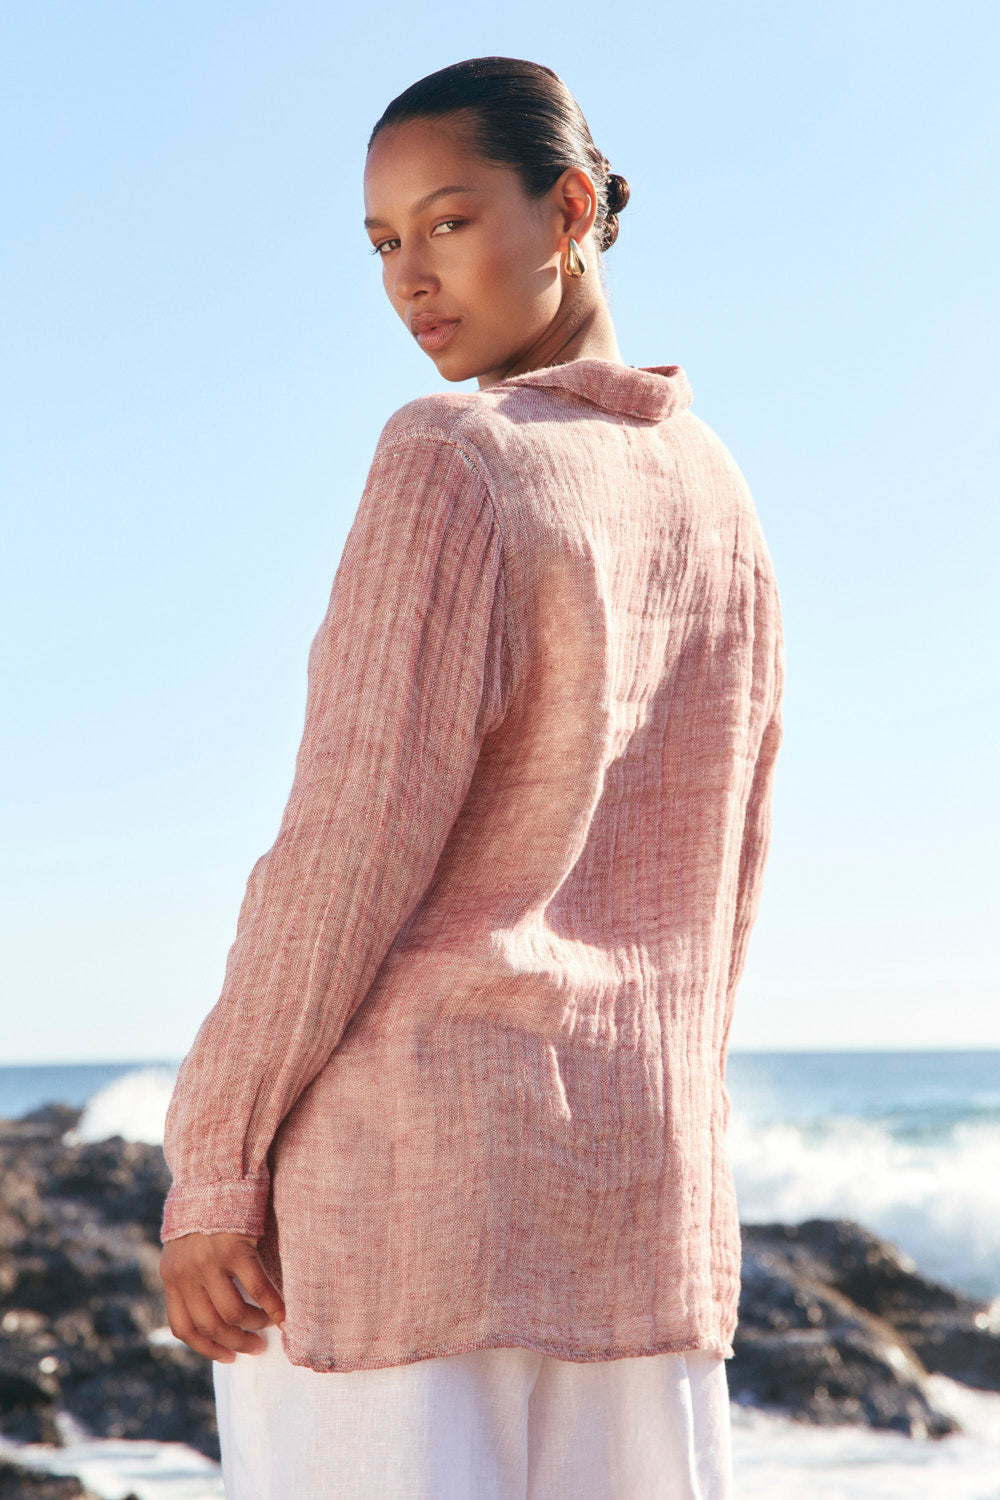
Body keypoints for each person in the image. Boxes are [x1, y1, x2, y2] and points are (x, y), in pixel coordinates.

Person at [158, 55, 784, 1500]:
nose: (408, 279)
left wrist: (215, 1163)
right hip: (643, 1205)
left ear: (569, 206)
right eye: (383, 243)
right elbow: (729, 883)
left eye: (445, 223)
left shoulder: (452, 457)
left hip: (405, 1207)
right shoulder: (723, 498)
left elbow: (345, 849)